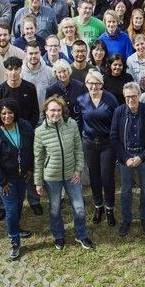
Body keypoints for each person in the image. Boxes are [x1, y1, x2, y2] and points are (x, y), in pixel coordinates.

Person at [34, 96, 93, 250]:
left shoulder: (71, 124)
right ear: (46, 111)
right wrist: (38, 182)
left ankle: (81, 235)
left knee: (79, 207)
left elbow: (78, 149)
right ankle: (58, 236)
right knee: (54, 208)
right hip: (51, 177)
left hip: (71, 174)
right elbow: (38, 158)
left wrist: (79, 169)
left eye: (59, 110)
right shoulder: (40, 132)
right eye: (52, 110)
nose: (56, 113)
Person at [0, 99, 35, 260]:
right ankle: (15, 240)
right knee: (12, 208)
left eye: (10, 112)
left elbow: (32, 147)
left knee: (20, 202)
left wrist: (30, 168)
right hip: (6, 180)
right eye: (3, 113)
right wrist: (2, 181)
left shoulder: (25, 126)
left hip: (22, 175)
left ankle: (17, 226)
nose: (7, 116)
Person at [111, 82, 145, 237]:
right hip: (126, 158)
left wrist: (141, 157)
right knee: (125, 191)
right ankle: (126, 219)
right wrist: (125, 158)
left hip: (144, 157)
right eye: (127, 97)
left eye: (134, 96)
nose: (131, 99)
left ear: (139, 95)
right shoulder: (118, 112)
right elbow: (114, 137)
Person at [78, 69, 119, 226]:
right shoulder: (81, 100)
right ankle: (98, 206)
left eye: (97, 83)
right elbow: (79, 121)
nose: (93, 86)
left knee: (107, 176)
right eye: (90, 83)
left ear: (101, 84)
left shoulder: (110, 99)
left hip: (107, 143)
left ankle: (109, 208)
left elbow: (116, 122)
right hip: (89, 143)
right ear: (86, 84)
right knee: (94, 176)